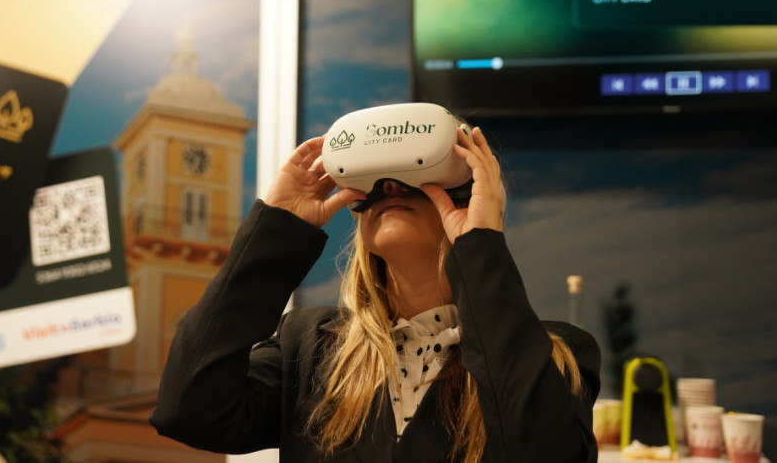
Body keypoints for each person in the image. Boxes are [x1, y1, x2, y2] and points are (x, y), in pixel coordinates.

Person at [150, 123, 600, 462]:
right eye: (376, 183)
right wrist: (275, 230)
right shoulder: (309, 349)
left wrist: (481, 245)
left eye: (419, 175)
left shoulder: (556, 355)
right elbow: (188, 411)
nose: (390, 188)